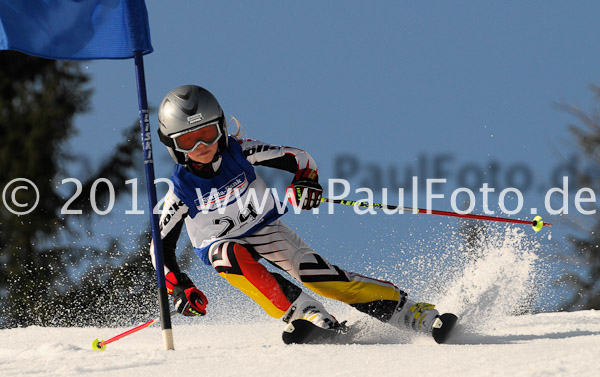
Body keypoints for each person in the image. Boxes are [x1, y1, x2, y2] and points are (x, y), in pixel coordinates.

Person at [151, 84, 450, 343]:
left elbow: (298, 158)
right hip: (220, 244)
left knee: (317, 275)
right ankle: (308, 315)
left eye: (207, 133)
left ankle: (410, 311)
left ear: (221, 128)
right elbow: (159, 247)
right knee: (227, 256)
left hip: (264, 229)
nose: (202, 146)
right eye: (188, 141)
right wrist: (180, 288)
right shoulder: (180, 193)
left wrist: (305, 182)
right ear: (173, 147)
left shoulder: (238, 152)